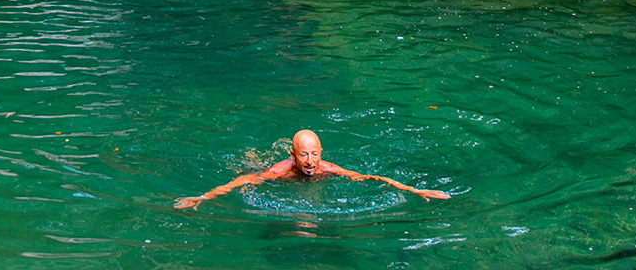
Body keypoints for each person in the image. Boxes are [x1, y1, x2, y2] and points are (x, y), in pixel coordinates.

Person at [174, 129, 450, 209]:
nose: (309, 161)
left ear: (321, 155)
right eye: (303, 155)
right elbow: (241, 181)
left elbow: (370, 177)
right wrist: (203, 197)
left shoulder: (326, 169)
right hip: (271, 172)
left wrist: (414, 189)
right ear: (293, 156)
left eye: (314, 154)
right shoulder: (281, 171)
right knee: (251, 165)